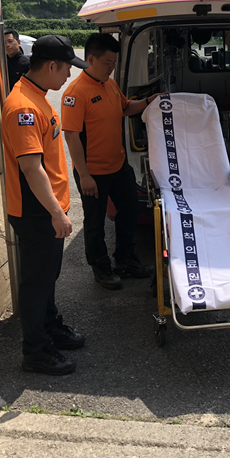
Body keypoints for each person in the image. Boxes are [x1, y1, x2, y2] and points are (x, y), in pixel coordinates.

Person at [1, 34, 88, 375]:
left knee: (47, 277)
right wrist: (55, 213)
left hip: (46, 209)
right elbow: (31, 168)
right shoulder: (24, 107)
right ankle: (36, 352)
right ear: (52, 66)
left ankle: (50, 328)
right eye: (67, 69)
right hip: (37, 211)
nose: (69, 75)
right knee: (37, 283)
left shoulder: (36, 95)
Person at [62, 33, 159, 290]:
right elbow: (71, 136)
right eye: (107, 63)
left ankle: (125, 260)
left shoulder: (110, 84)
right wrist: (84, 175)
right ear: (91, 59)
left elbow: (125, 108)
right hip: (93, 172)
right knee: (95, 223)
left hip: (118, 165)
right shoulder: (75, 93)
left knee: (130, 211)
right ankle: (100, 266)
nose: (111, 68)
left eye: (114, 63)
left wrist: (149, 102)